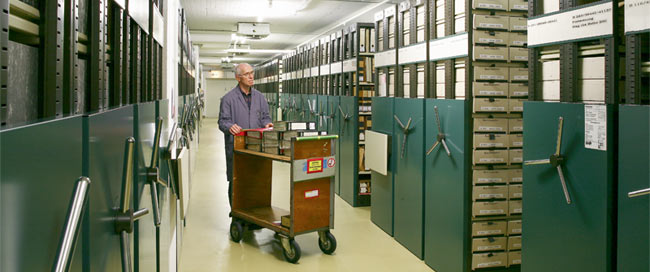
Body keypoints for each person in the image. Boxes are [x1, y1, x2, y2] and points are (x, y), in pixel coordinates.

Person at [218, 63, 273, 209]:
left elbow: (266, 117)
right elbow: (222, 122)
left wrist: (268, 124)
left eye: (252, 73)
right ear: (238, 77)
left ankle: (254, 213)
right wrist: (230, 126)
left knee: (256, 180)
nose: (251, 76)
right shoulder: (228, 99)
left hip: (257, 146)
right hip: (237, 147)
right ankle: (236, 214)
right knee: (237, 181)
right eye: (247, 74)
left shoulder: (260, 98)